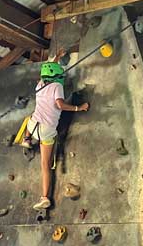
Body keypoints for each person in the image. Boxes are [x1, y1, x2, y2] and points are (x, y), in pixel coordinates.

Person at [16, 55, 89, 210]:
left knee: (29, 118)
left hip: (33, 126)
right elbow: (60, 104)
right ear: (57, 76)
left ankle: (27, 140)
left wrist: (54, 59)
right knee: (45, 165)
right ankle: (45, 197)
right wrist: (78, 108)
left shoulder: (40, 85)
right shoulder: (57, 86)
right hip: (47, 130)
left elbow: (48, 69)